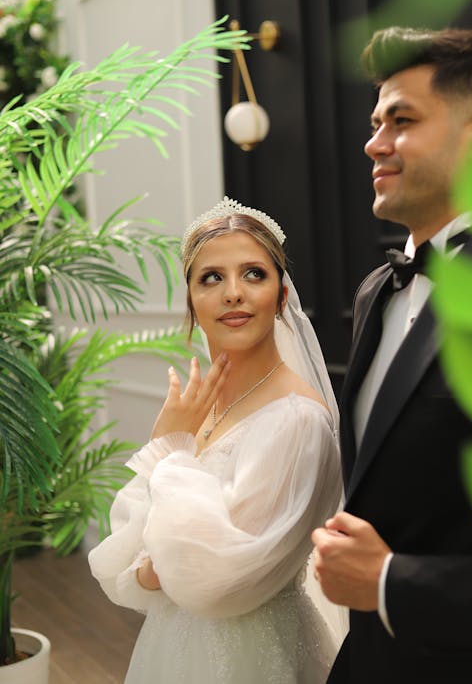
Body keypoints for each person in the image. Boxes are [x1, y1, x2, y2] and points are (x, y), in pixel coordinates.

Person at [88, 197, 346, 683]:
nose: (233, 293)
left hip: (251, 654)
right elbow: (141, 540)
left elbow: (216, 579)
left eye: (253, 274)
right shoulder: (201, 405)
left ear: (282, 295)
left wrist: (169, 450)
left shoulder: (297, 420)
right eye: (211, 277)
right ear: (190, 298)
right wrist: (172, 446)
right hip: (175, 647)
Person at [312, 26, 472, 683]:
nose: (373, 142)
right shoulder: (374, 292)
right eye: (374, 122)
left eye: (402, 119)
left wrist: (392, 582)